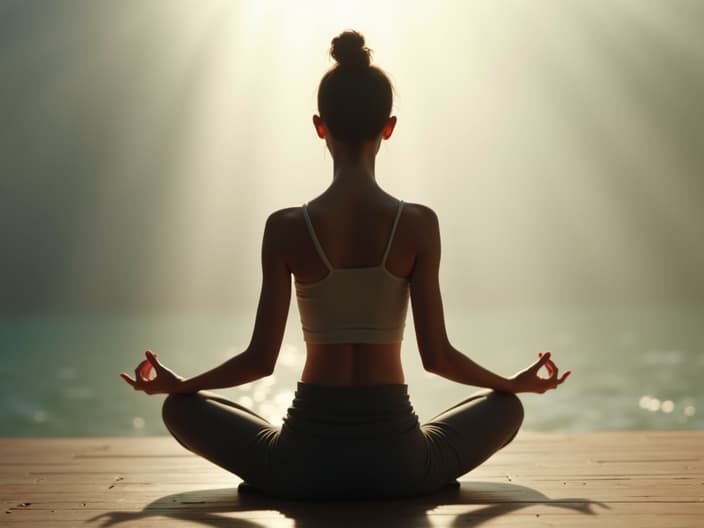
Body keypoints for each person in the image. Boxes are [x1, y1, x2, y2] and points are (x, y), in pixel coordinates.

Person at [120, 30, 570, 500]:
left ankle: (281, 469)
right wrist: (511, 383)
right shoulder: (417, 224)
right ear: (389, 126)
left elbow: (259, 360)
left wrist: (184, 384)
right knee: (506, 409)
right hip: (401, 465)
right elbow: (437, 358)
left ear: (320, 126)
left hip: (301, 464)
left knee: (179, 409)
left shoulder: (286, 227)